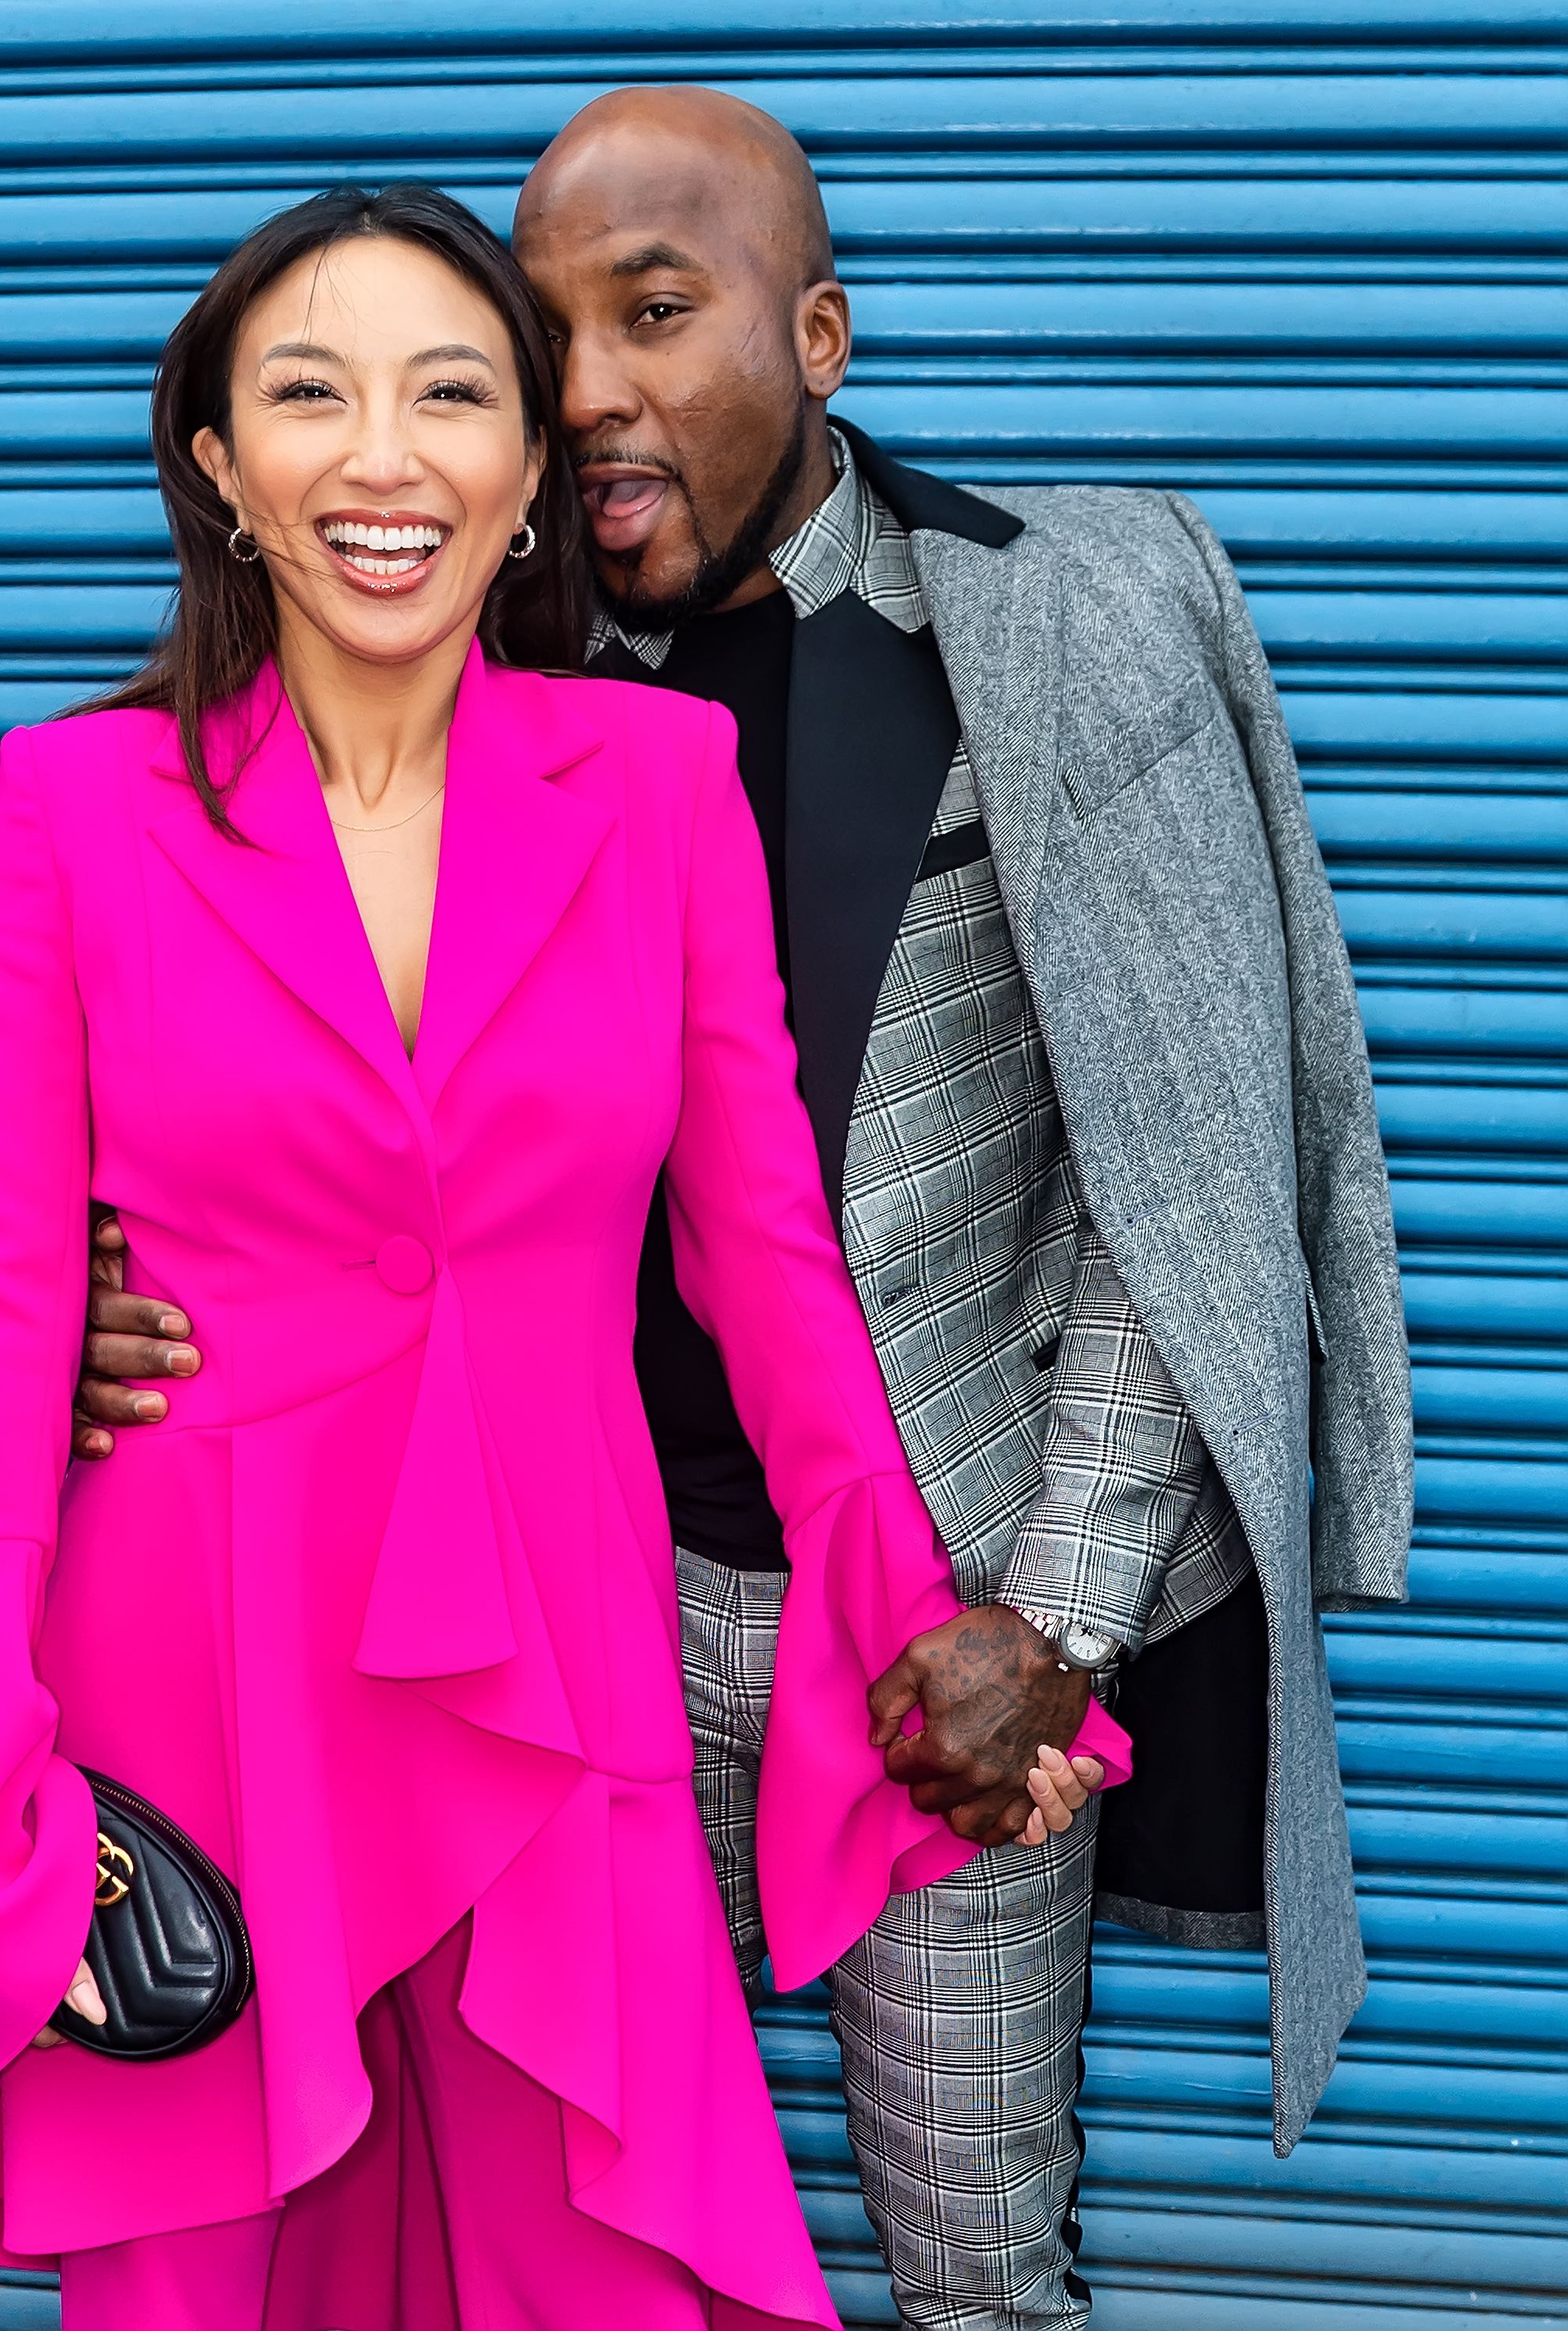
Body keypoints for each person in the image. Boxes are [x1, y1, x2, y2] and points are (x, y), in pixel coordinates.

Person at [75, 91, 1416, 2331]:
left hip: (939, 1624)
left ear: (820, 333)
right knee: (556, 2239)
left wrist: (1058, 1624)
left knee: (980, 2266)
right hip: (553, 1629)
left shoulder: (1052, 626)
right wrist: (148, 1299)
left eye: (659, 312)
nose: (588, 384)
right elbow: (289, 1085)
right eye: (549, 328)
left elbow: (1181, 1187)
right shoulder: (461, 684)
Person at [0, 184, 1126, 2331]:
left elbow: (767, 1257)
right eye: (310, 396)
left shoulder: (653, 777)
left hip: (557, 1635)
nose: (385, 457)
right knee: (216, 2268)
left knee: (595, 2260)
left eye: (452, 394)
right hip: (198, 1658)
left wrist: (909, 1636)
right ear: (219, 463)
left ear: (531, 467)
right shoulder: (74, 809)